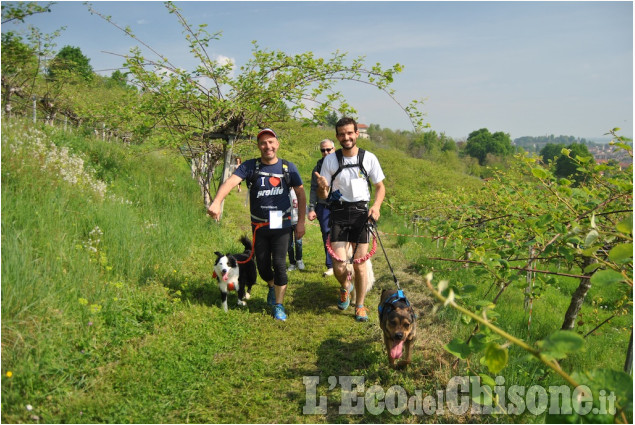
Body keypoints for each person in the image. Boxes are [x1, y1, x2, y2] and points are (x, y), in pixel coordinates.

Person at [207, 128, 306, 321]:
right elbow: (230, 182)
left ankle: (279, 305)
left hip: (282, 225)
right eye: (263, 143)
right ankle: (271, 285)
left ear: (277, 144)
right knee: (262, 266)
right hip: (259, 226)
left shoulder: (288, 168)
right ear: (258, 146)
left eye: (270, 142)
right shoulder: (251, 167)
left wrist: (300, 222)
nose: (267, 146)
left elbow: (301, 194)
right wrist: (217, 201)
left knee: (279, 264)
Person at [315, 117, 385, 322]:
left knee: (359, 265)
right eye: (342, 134)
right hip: (338, 214)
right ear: (337, 137)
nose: (346, 137)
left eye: (350, 133)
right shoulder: (330, 160)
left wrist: (376, 206)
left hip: (361, 214)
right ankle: (346, 287)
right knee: (338, 266)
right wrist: (321, 186)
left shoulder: (369, 158)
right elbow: (323, 196)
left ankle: (360, 305)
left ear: (356, 134)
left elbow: (380, 187)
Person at [308, 139, 335, 276]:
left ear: (334, 149)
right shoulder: (317, 168)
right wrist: (311, 208)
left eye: (328, 149)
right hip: (323, 206)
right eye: (323, 150)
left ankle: (345, 261)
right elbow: (313, 189)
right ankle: (330, 265)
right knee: (327, 234)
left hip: (340, 206)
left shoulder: (341, 163)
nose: (326, 152)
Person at [287, 189, 305, 271]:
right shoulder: (283, 191)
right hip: (286, 222)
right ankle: (292, 263)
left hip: (296, 221)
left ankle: (299, 260)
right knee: (289, 243)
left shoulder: (297, 191)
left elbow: (302, 204)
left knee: (298, 242)